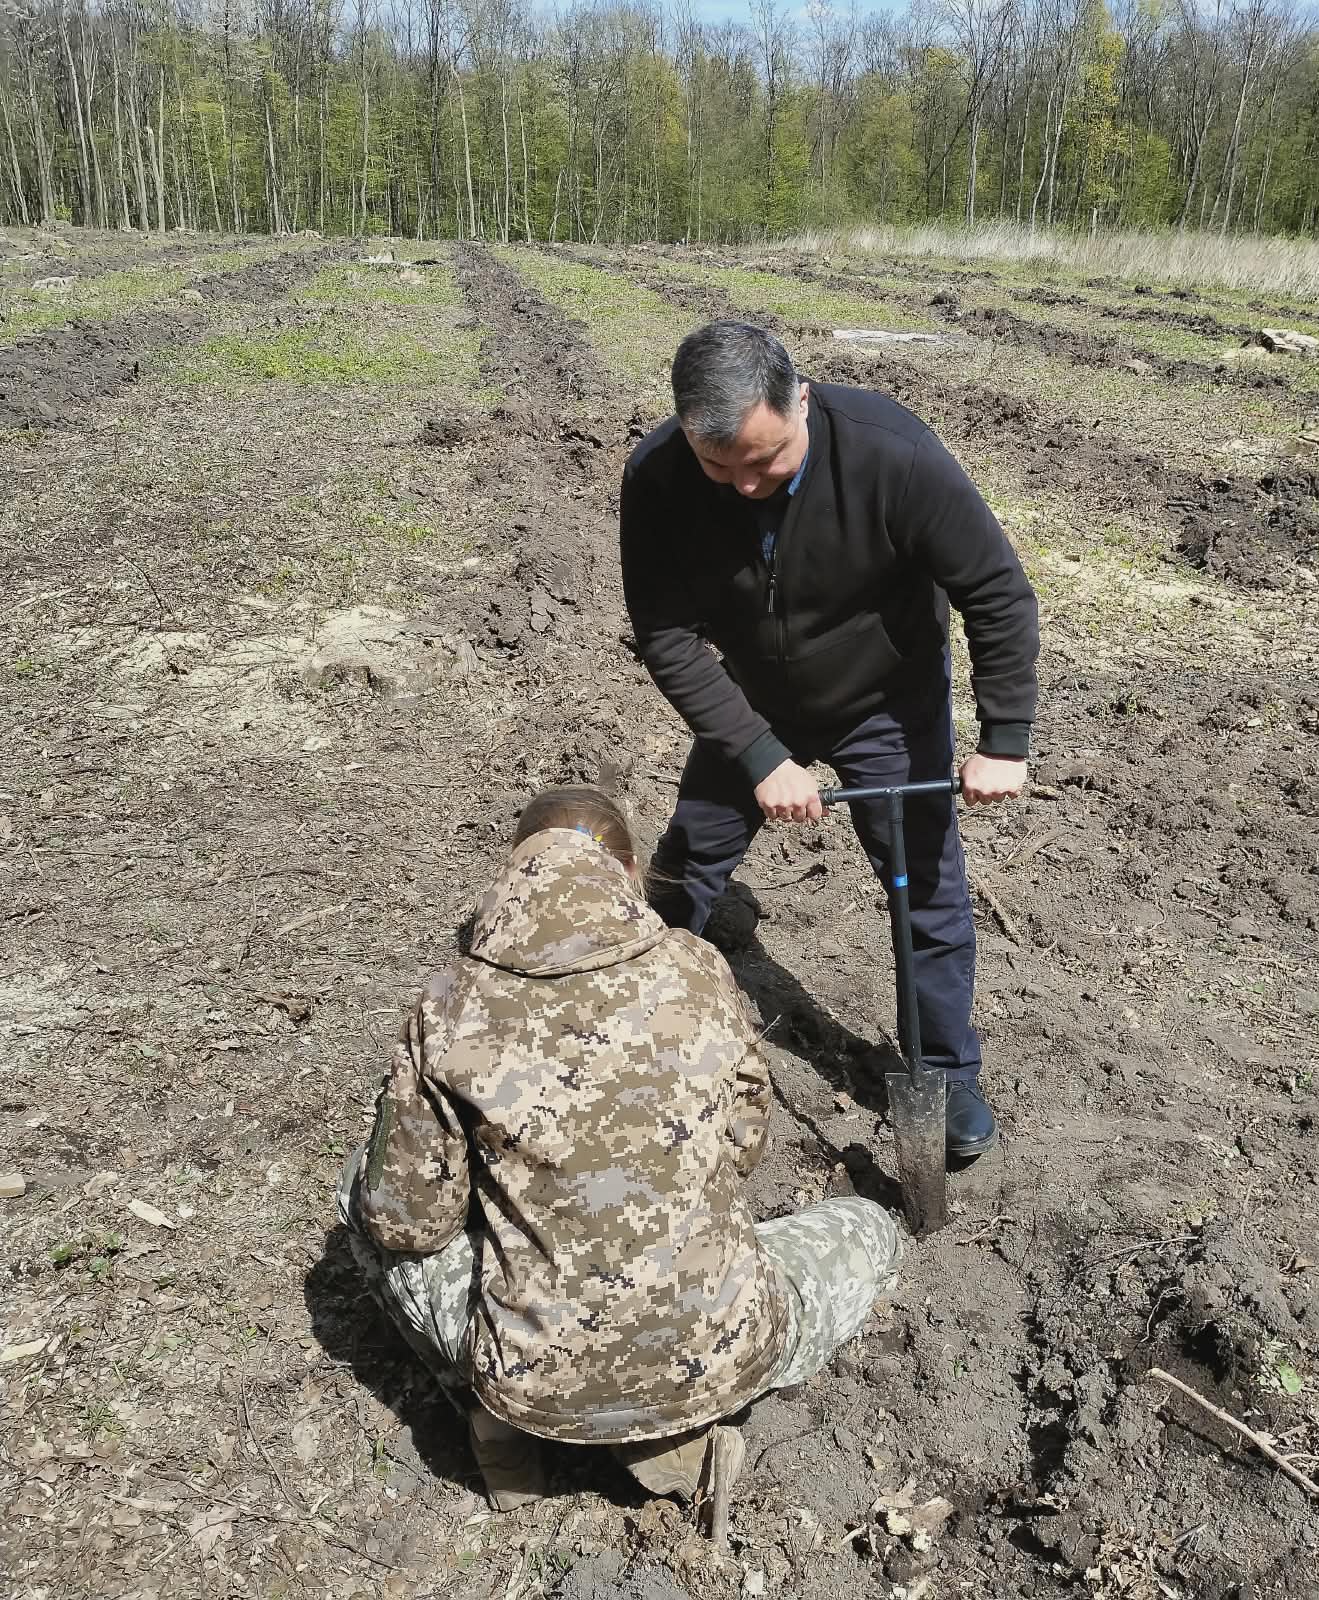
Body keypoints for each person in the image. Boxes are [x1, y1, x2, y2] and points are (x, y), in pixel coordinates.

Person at [334, 785, 902, 1519]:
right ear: (631, 873)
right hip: (721, 1350)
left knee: (360, 1187)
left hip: (536, 1378)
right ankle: (679, 1438)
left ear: (514, 873)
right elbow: (744, 1147)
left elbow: (407, 1222)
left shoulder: (449, 1003)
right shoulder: (696, 967)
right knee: (870, 1226)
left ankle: (495, 1430)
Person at [621, 321, 1040, 1160]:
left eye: (765, 461)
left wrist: (1004, 738)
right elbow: (666, 637)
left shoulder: (893, 454)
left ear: (800, 401)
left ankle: (944, 1071)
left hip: (887, 698)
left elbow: (996, 592)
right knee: (688, 861)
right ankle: (626, 1017)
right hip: (753, 696)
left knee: (926, 885)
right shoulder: (658, 476)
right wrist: (759, 754)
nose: (746, 486)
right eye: (720, 468)